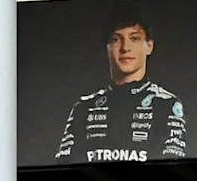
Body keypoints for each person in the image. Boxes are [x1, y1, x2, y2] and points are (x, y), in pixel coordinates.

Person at [55, 12, 184, 159]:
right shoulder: (84, 107)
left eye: (134, 38)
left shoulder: (166, 104)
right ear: (107, 48)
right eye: (116, 39)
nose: (125, 48)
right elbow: (64, 169)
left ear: (149, 46)